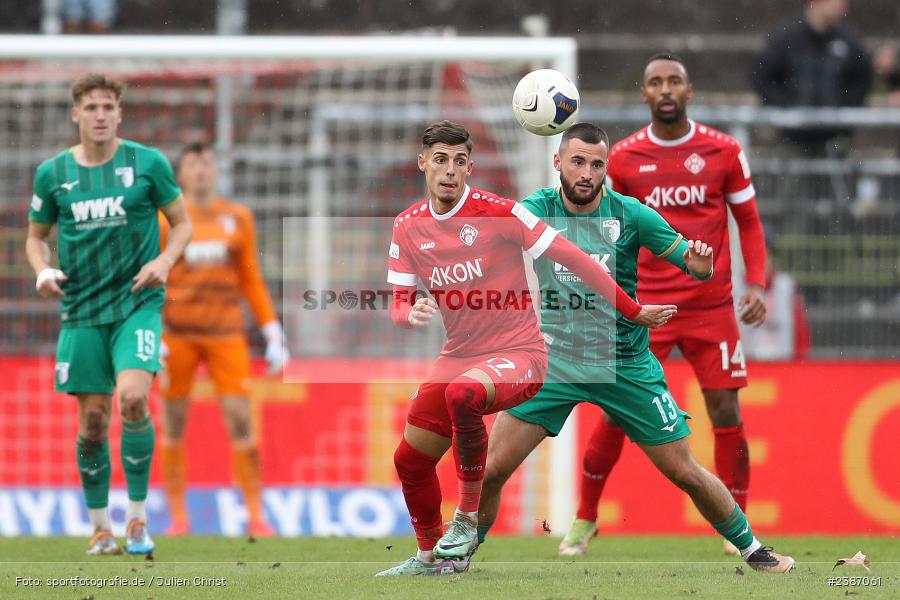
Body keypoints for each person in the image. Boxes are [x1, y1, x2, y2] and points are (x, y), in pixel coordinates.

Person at [475, 123, 795, 574]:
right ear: (558, 163)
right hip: (556, 361)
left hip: (624, 363)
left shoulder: (631, 214)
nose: (587, 172)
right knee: (490, 470)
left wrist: (700, 265)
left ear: (607, 167)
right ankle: (459, 553)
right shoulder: (535, 210)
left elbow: (690, 260)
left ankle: (752, 548)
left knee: (685, 471)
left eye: (597, 164)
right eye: (578, 161)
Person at [376, 120, 676, 576]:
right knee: (409, 460)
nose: (450, 171)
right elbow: (398, 302)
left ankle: (466, 519)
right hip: (459, 354)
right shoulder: (407, 227)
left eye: (460, 162)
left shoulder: (500, 213)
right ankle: (426, 558)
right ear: (423, 164)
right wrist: (408, 313)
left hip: (521, 352)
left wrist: (632, 310)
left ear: (471, 167)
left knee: (463, 394)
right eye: (440, 160)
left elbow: (573, 257)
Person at [562, 53, 770, 558]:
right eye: (656, 82)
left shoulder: (723, 150)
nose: (666, 89)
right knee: (616, 414)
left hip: (710, 305)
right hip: (644, 309)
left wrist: (757, 284)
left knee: (725, 409)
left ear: (689, 90)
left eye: (674, 80)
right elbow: (609, 229)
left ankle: (734, 521)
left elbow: (749, 222)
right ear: (645, 94)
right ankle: (586, 518)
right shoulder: (627, 157)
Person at [26, 73, 192, 555]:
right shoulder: (52, 174)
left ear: (119, 113)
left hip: (136, 305)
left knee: (133, 399)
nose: (100, 115)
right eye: (91, 107)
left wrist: (163, 261)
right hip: (81, 311)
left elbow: (182, 224)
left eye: (108, 107)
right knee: (93, 422)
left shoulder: (148, 163)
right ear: (75, 114)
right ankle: (101, 529)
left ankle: (138, 521)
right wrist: (42, 271)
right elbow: (36, 237)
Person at [157, 142, 288, 537]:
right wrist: (152, 330)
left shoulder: (237, 218)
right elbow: (154, 276)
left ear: (214, 171)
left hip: (225, 334)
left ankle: (255, 516)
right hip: (177, 334)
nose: (200, 169)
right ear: (181, 174)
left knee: (239, 420)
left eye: (206, 162)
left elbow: (250, 277)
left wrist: (271, 330)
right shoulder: (165, 221)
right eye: (192, 162)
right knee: (174, 423)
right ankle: (179, 519)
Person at [751, 0, 872, 155]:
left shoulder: (849, 41)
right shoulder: (787, 37)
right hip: (793, 140)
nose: (842, 5)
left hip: (834, 140)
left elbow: (862, 80)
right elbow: (762, 76)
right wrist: (786, 108)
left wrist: (843, 111)